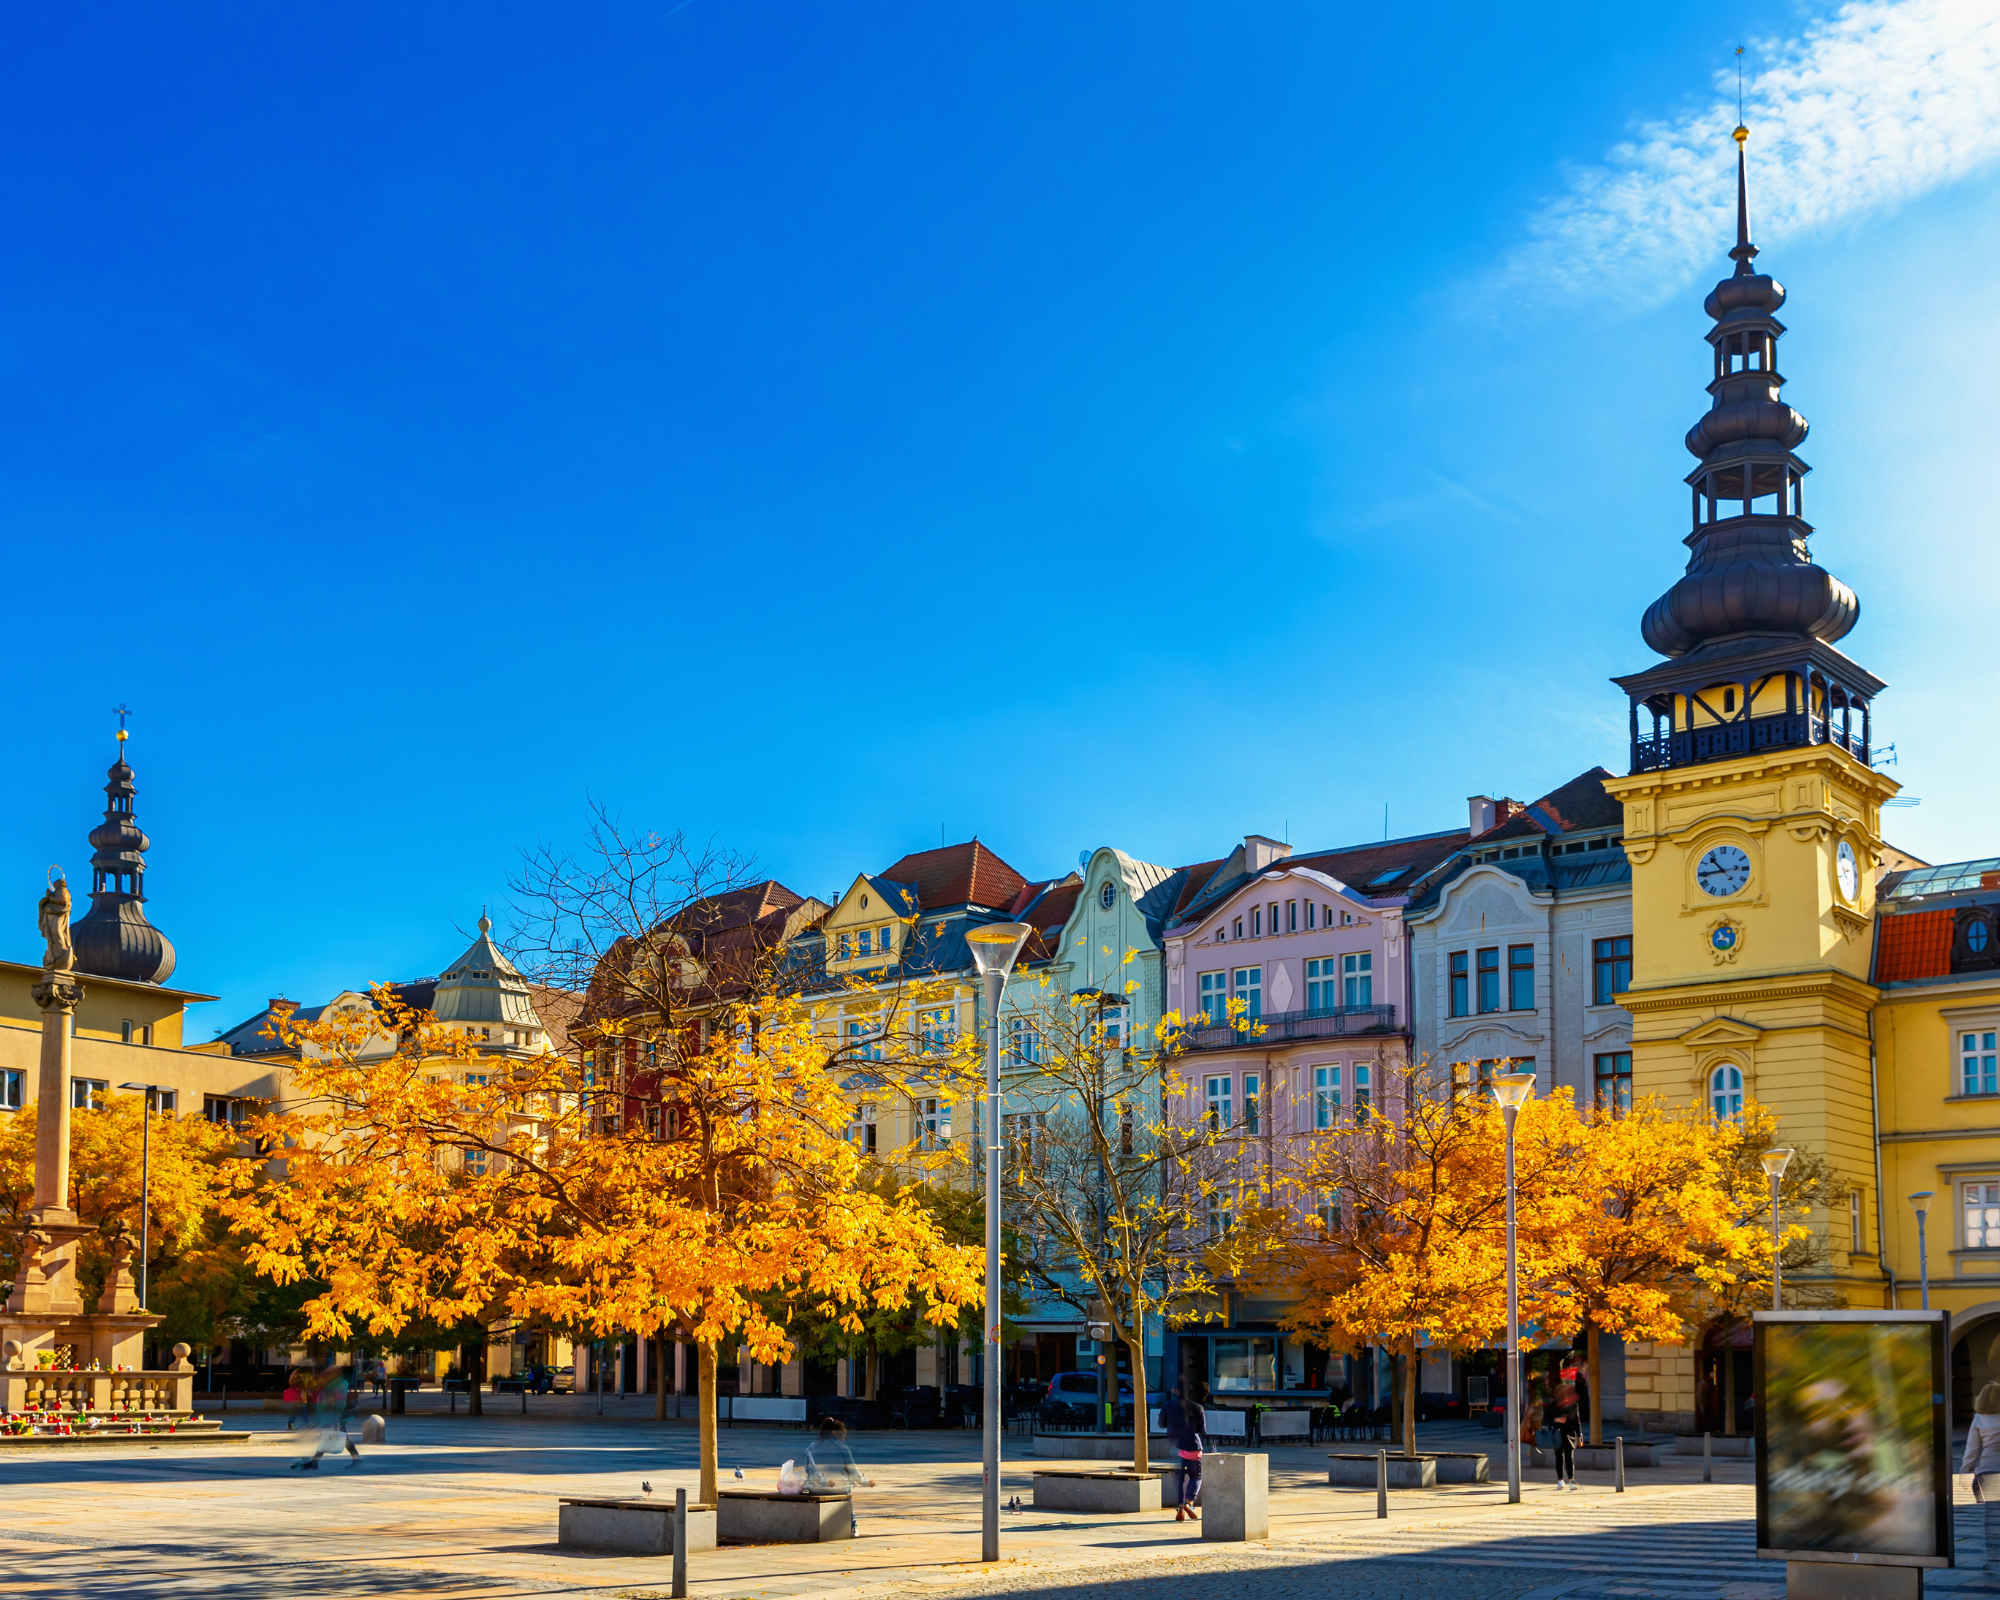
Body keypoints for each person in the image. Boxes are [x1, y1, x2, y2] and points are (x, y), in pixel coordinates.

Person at [804, 1416, 873, 1536]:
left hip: (817, 1489)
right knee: (847, 1494)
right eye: (843, 1432)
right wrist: (867, 1482)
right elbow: (854, 1473)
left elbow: (808, 1469)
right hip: (839, 1489)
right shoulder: (843, 1449)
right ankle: (853, 1526)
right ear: (834, 1432)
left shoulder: (811, 1447)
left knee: (805, 1487)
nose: (845, 1435)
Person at [1962, 1382, 2000, 1567]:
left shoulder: (1978, 1419)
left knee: (1992, 1517)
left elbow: (1972, 1450)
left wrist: (1964, 1471)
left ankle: (1993, 1557)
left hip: (1988, 1470)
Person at [1168, 1380, 1206, 1522]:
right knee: (1196, 1476)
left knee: (1180, 1479)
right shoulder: (1197, 1407)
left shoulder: (1170, 1406)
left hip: (1178, 1447)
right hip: (1193, 1447)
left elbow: (1163, 1423)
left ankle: (1180, 1508)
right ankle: (1189, 1502)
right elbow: (1203, 1430)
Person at [1546, 1383, 1581, 1492]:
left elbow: (1577, 1422)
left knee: (1569, 1457)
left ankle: (1571, 1480)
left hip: (1569, 1434)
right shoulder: (1552, 1406)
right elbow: (1545, 1420)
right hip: (1557, 1434)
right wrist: (1556, 1420)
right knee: (1559, 1457)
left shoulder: (1574, 1406)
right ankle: (1560, 1480)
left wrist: (1580, 1437)